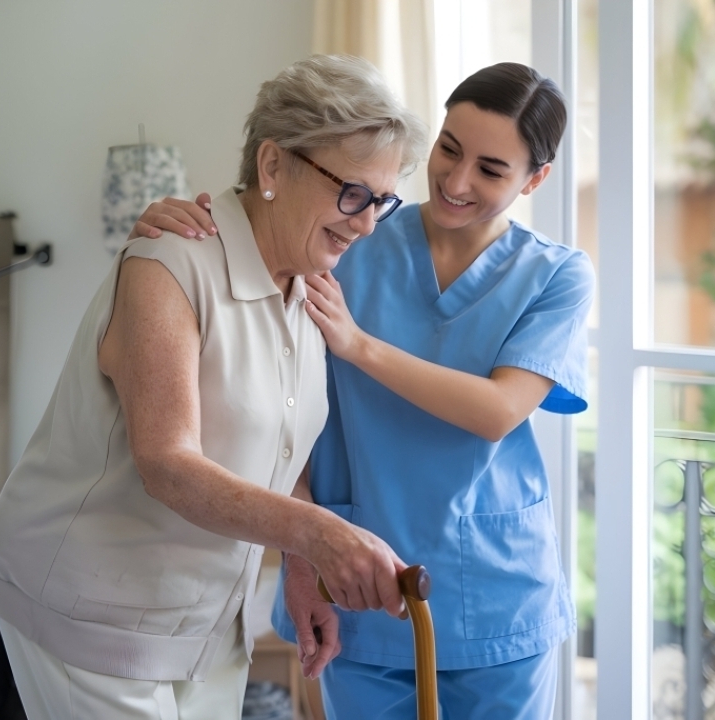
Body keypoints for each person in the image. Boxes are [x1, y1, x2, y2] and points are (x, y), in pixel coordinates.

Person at [134, 62, 594, 720]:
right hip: (355, 582)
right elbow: (256, 280)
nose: (457, 182)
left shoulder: (557, 277)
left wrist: (358, 345)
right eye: (448, 150)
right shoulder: (354, 233)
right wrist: (176, 222)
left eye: (491, 170)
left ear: (535, 179)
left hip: (496, 594)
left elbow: (496, 412)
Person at [0, 54, 429, 720]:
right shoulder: (171, 264)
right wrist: (320, 536)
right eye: (353, 193)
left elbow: (281, 441)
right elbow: (168, 463)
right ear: (274, 166)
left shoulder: (310, 289)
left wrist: (301, 567)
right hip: (91, 614)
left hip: (211, 624)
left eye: (383, 201)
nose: (367, 222)